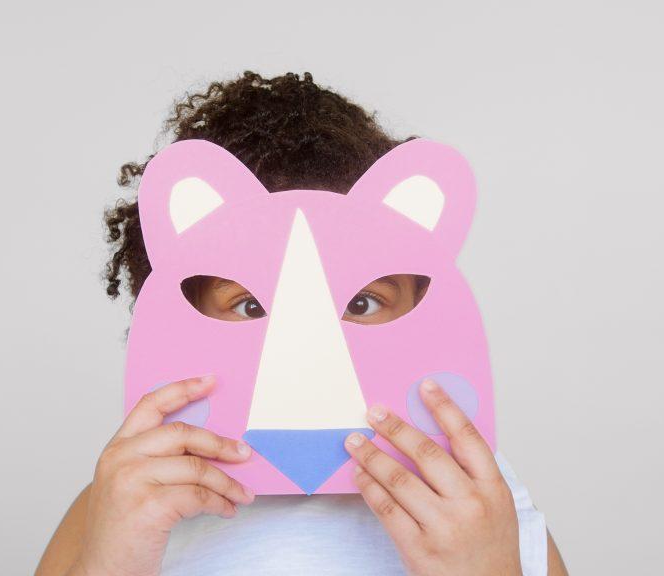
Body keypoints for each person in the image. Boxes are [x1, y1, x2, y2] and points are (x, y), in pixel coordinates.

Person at [36, 71, 569, 576]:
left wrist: (489, 567)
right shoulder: (129, 497)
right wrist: (110, 561)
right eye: (248, 306)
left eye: (364, 303)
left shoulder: (477, 499)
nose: (307, 358)